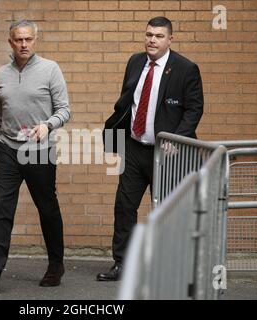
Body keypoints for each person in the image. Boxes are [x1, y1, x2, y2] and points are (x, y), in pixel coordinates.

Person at [98, 17, 203, 281]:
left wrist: (177, 139)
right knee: (124, 206)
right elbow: (127, 102)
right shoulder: (135, 62)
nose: (152, 40)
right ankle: (123, 263)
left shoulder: (186, 69)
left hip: (166, 153)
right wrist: (116, 138)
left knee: (166, 210)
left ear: (170, 39)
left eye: (158, 36)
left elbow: (194, 109)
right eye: (148, 35)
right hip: (134, 149)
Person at [0, 20, 70, 294]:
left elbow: (64, 110)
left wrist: (47, 125)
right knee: (1, 210)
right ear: (10, 42)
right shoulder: (2, 73)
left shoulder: (50, 69)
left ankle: (56, 264)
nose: (24, 44)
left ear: (35, 40)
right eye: (18, 40)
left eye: (28, 39)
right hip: (7, 150)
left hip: (39, 151)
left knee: (47, 208)